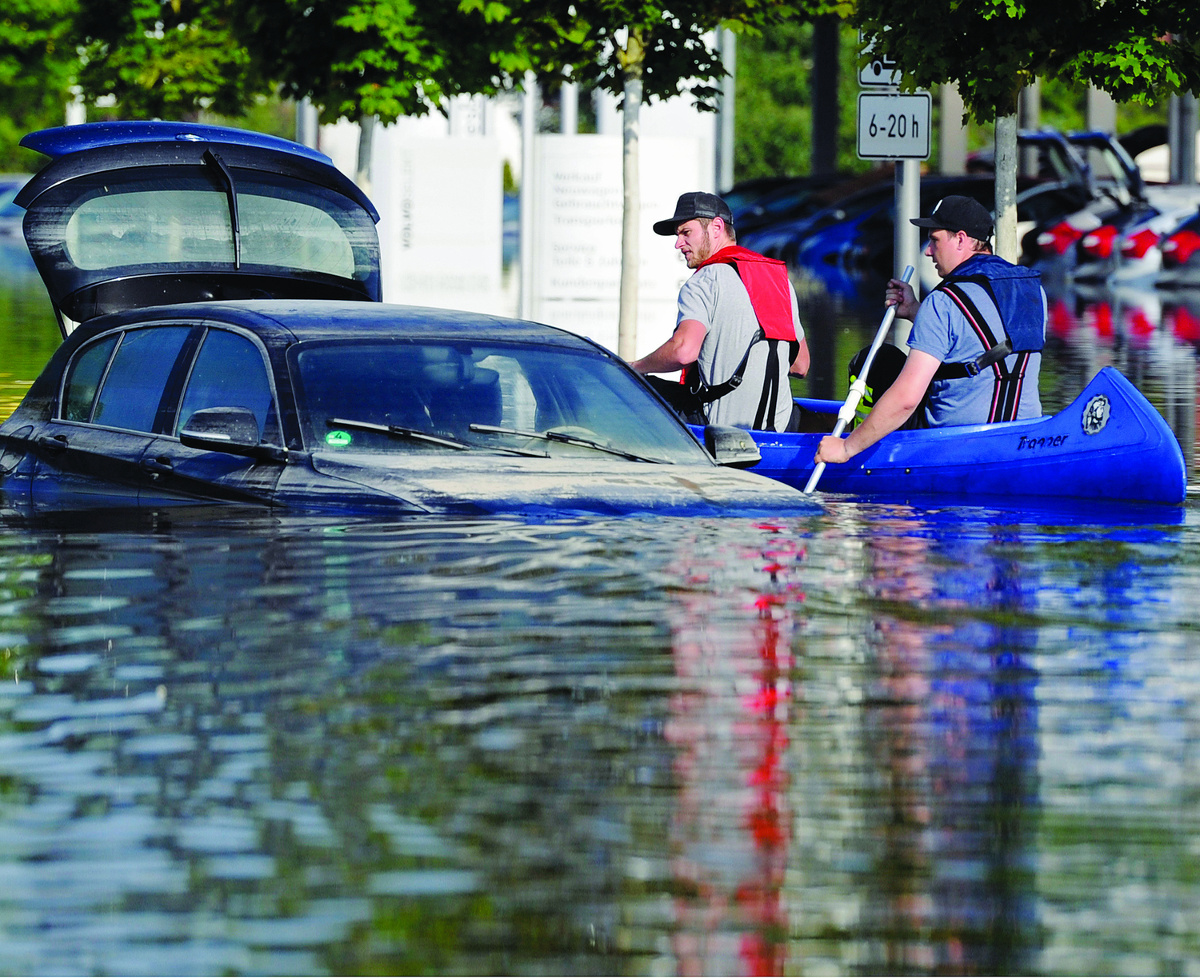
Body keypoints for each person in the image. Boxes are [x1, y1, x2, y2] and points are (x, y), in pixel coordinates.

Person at [815, 194, 1046, 466]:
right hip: (1024, 440)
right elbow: (978, 340)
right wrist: (916, 311)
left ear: (961, 239)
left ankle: (862, 449)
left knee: (876, 362)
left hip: (953, 445)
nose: (927, 251)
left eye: (934, 240)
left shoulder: (944, 301)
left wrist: (845, 449)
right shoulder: (1035, 291)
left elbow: (906, 399)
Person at [630, 191, 810, 432]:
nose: (677, 243)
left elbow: (684, 352)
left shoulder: (705, 281)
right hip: (779, 430)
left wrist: (637, 367)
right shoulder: (780, 280)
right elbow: (800, 364)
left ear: (716, 227)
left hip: (720, 431)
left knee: (632, 386)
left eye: (686, 233)